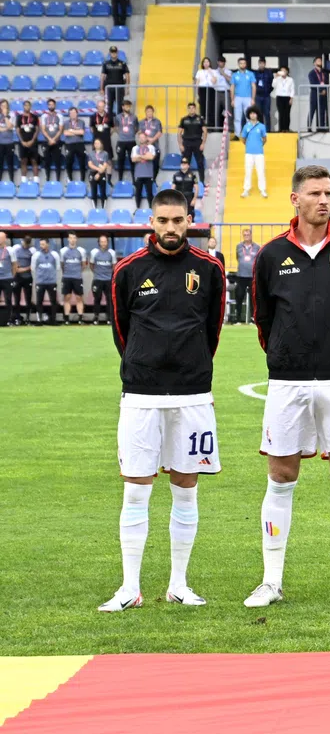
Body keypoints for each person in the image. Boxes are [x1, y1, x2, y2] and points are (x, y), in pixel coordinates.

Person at [241, 167, 330, 608]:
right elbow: (264, 320)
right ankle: (271, 581)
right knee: (281, 475)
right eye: (315, 193)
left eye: (329, 192)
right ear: (295, 198)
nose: (324, 200)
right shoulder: (270, 256)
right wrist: (285, 358)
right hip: (287, 383)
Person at [100, 190, 227, 611]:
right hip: (140, 393)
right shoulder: (128, 270)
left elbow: (212, 330)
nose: (170, 228)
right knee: (136, 490)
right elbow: (122, 330)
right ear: (150, 222)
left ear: (189, 220)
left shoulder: (210, 269)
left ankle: (178, 584)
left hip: (193, 395)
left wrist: (189, 366)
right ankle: (129, 588)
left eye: (177, 220)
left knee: (185, 490)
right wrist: (143, 363)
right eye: (162, 220)